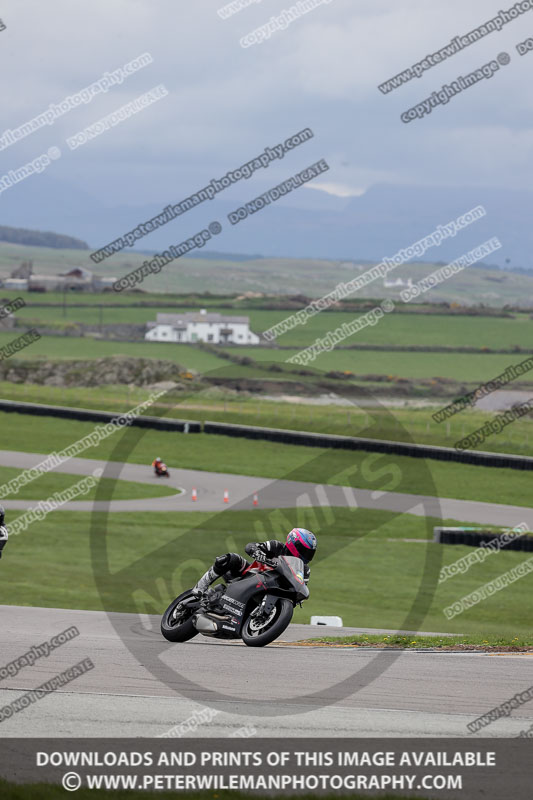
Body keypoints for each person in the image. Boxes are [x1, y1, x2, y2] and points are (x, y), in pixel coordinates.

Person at [192, 527, 317, 596]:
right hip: (249, 574)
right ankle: (200, 588)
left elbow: (300, 588)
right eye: (303, 550)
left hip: (273, 589)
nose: (306, 555)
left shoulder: (305, 570)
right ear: (293, 543)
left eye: (309, 553)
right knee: (231, 558)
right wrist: (260, 555)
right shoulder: (276, 546)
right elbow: (251, 546)